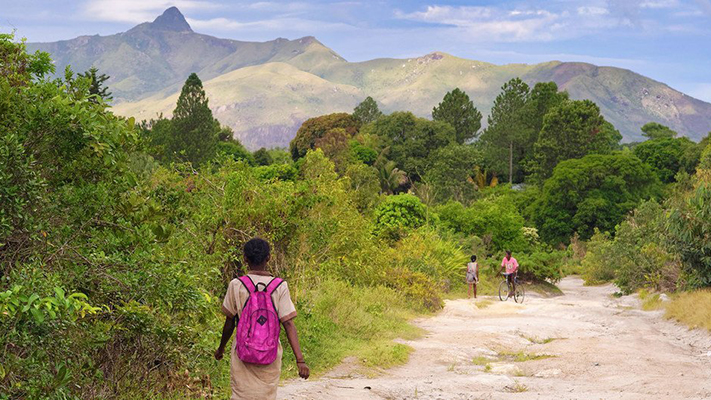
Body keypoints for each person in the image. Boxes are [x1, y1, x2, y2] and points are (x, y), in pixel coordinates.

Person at [215, 238, 309, 400]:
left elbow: (229, 323)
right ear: (269, 258)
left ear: (245, 259)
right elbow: (288, 323)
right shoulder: (280, 286)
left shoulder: (236, 285)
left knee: (241, 394)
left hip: (242, 352)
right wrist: (300, 360)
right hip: (270, 353)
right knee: (266, 395)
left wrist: (221, 349)